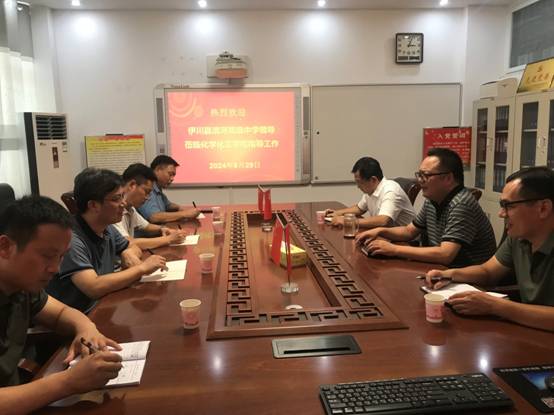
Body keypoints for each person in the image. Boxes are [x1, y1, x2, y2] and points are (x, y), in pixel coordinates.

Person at [0, 196, 123, 414]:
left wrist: (86, 329)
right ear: (5, 247)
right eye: (47, 256)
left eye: (61, 257)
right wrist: (68, 382)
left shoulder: (22, 287)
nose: (55, 268)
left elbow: (61, 313)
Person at [425, 166, 554, 331]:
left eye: (508, 206)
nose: (501, 214)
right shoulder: (518, 238)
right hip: (528, 330)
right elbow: (488, 272)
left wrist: (496, 306)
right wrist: (449, 275)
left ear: (543, 208)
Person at [47, 168, 167, 313]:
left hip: (104, 305)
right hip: (79, 316)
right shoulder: (70, 238)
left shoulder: (107, 227)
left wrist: (127, 252)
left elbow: (132, 246)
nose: (123, 203)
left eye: (122, 196)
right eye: (116, 199)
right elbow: (93, 287)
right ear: (93, 205)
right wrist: (142, 268)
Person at [355, 148, 496, 267]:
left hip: (466, 280)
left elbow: (445, 255)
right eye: (419, 175)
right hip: (439, 270)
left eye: (426, 175)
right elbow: (409, 231)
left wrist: (393, 249)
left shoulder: (462, 204)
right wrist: (379, 231)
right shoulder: (432, 200)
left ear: (448, 178)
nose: (420, 181)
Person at [324, 157, 416, 228]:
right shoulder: (371, 190)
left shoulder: (391, 191)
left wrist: (348, 221)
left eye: (360, 182)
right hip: (387, 234)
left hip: (406, 241)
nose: (358, 186)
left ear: (373, 179)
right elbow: (359, 208)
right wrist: (337, 213)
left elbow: (383, 220)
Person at [114, 163, 187, 249]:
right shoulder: (113, 209)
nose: (147, 198)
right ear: (132, 185)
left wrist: (163, 229)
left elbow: (146, 226)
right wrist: (169, 239)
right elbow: (127, 243)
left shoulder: (130, 208)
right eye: (146, 192)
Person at [137, 155, 199, 223]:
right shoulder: (147, 188)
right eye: (170, 174)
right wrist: (185, 214)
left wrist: (179, 207)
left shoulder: (158, 188)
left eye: (173, 175)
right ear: (157, 170)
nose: (172, 179)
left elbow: (168, 205)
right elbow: (154, 217)